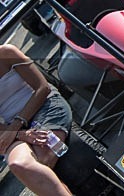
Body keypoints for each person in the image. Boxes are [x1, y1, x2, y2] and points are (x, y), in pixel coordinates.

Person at [0, 43, 72, 196]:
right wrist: (20, 133)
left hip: (46, 106)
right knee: (18, 164)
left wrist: (17, 125)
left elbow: (42, 88)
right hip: (14, 130)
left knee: (41, 163)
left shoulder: (6, 52)